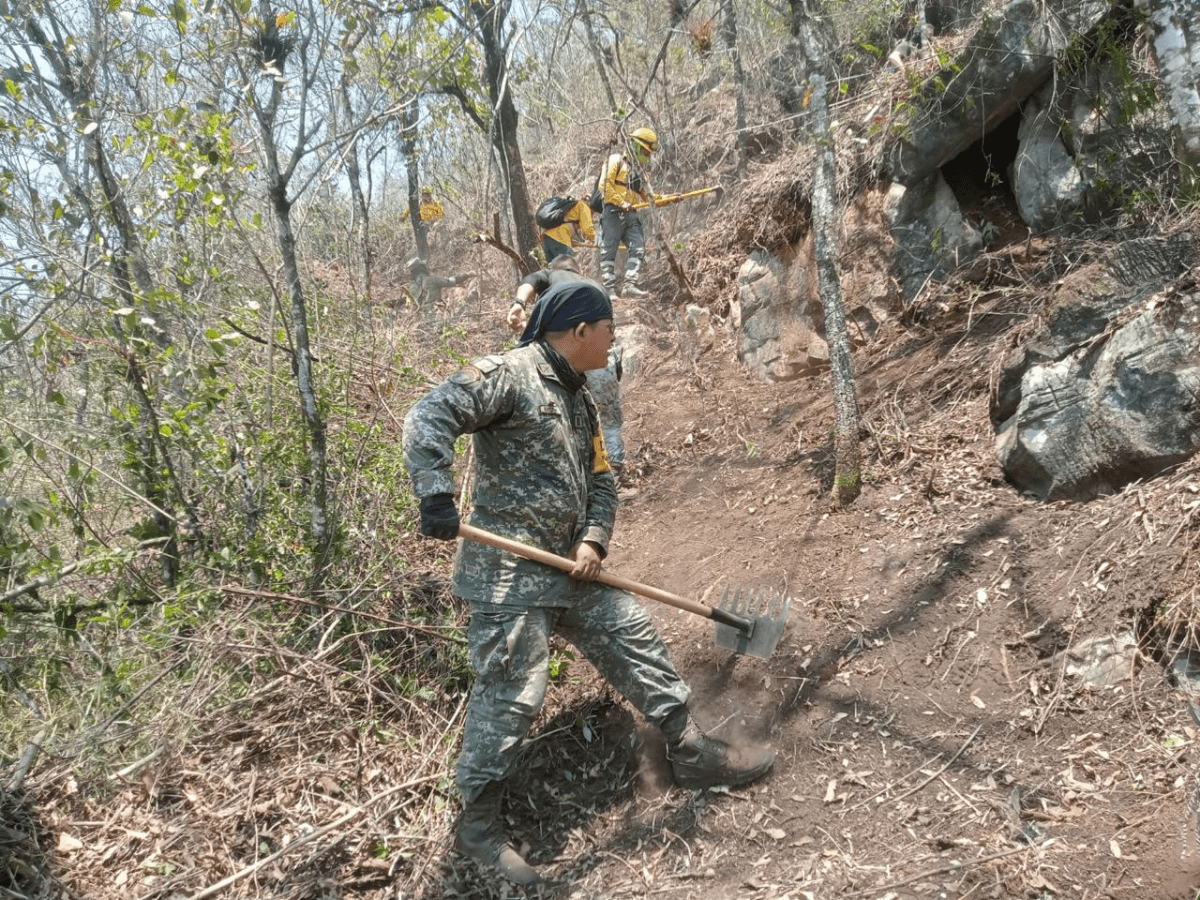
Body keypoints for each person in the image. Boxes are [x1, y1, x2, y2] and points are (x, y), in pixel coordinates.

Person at [402, 282, 775, 886]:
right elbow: (429, 415)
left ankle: (690, 753)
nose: (612, 337)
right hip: (511, 576)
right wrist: (434, 492)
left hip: (574, 568)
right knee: (510, 695)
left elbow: (602, 479)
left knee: (635, 639)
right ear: (579, 332)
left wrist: (593, 540)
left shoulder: (581, 399)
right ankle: (478, 829)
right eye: (607, 327)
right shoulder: (510, 376)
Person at [508, 256, 626, 476]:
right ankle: (615, 468)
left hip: (568, 361)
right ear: (578, 270)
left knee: (568, 417)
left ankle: (581, 473)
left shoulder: (552, 277)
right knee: (607, 417)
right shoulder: (596, 287)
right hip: (601, 358)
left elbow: (530, 281)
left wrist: (519, 304)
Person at [597, 126, 664, 298]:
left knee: (638, 246)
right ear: (635, 145)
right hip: (613, 211)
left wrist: (669, 198)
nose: (647, 156)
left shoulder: (639, 172)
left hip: (632, 214)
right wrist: (621, 202)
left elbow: (649, 196)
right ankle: (609, 289)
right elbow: (604, 186)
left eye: (649, 153)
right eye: (645, 151)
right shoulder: (616, 160)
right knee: (609, 249)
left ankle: (630, 284)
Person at [540, 196, 595, 263]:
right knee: (569, 269)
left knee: (555, 272)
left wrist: (582, 244)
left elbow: (566, 229)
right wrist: (596, 240)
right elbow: (587, 229)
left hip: (546, 239)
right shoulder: (583, 206)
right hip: (559, 239)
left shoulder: (569, 208)